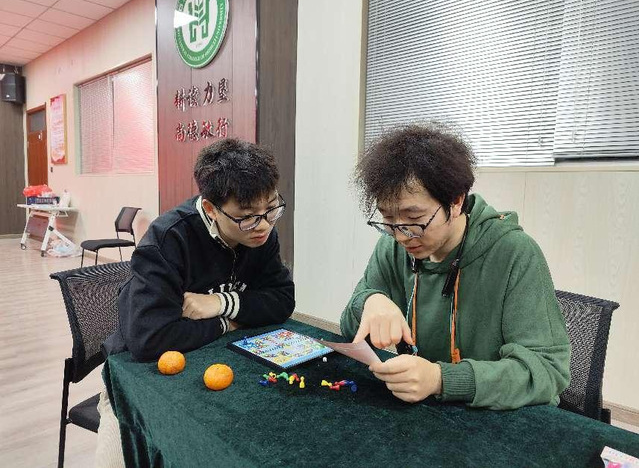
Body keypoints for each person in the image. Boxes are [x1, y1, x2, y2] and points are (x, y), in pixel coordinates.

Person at [340, 123, 570, 409]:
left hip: (499, 416)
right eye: (388, 220)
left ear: (456, 201)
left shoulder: (514, 253)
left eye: (415, 219)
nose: (401, 236)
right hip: (423, 410)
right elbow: (349, 329)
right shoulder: (392, 248)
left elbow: (548, 370)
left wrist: (442, 379)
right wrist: (368, 301)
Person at [97, 138, 295, 467]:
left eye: (271, 208)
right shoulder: (168, 238)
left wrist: (220, 303)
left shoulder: (261, 233)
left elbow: (283, 300)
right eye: (247, 217)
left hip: (213, 366)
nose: (263, 225)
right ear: (211, 209)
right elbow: (149, 338)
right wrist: (229, 322)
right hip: (134, 378)